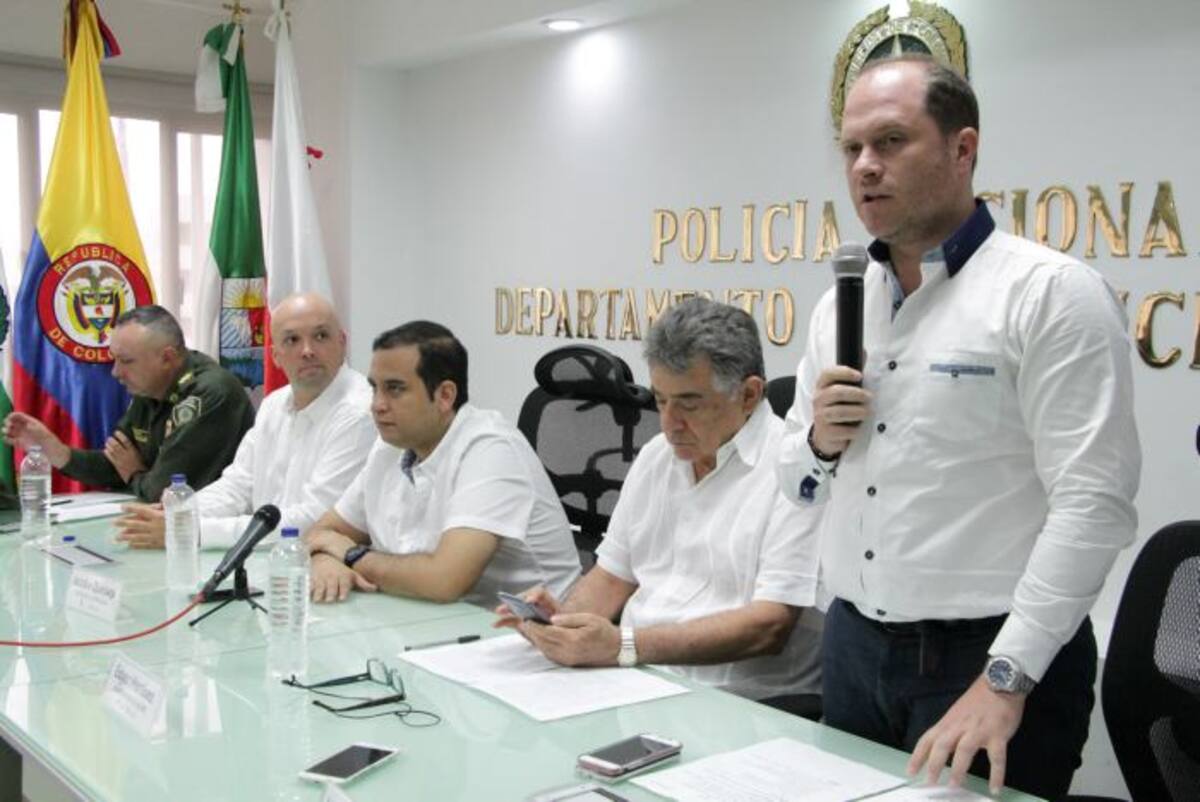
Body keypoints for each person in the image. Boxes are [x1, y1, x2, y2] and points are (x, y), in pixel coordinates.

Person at [777, 55, 1140, 798]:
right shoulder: (841, 306)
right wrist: (818, 442)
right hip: (852, 645)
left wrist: (1006, 680)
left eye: (890, 142)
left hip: (988, 659)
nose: (865, 168)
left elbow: (1093, 507)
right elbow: (796, 484)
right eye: (851, 149)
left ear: (963, 149)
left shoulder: (1048, 295)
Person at [498, 298, 823, 706]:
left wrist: (624, 646)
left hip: (738, 700)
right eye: (660, 400)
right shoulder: (656, 456)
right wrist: (562, 623)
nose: (669, 423)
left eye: (688, 403)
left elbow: (769, 626)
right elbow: (612, 578)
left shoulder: (797, 470)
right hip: (636, 680)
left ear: (748, 394)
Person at [304, 321, 581, 608]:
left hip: (529, 634)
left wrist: (352, 557)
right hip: (432, 623)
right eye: (375, 389)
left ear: (445, 396)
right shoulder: (390, 446)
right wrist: (325, 560)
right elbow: (322, 533)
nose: (377, 405)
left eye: (395, 389)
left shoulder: (491, 449)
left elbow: (443, 581)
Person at [113, 293, 375, 550]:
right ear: (276, 356)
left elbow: (315, 520)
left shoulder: (359, 412)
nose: (307, 351)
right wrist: (180, 513)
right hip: (267, 559)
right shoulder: (275, 404)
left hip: (318, 570)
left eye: (321, 336)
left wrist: (192, 530)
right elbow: (237, 486)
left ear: (342, 342)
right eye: (292, 340)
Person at [4, 305, 255, 503]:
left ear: (167, 358)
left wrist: (135, 474)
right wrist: (56, 451)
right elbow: (117, 464)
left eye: (126, 361)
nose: (115, 372)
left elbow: (165, 491)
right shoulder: (151, 389)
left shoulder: (210, 394)